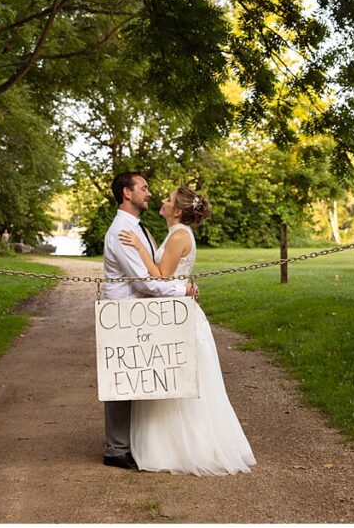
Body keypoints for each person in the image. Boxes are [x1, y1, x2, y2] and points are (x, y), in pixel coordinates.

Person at [117, 184, 256, 476]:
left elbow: (161, 275)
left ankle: (192, 448)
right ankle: (168, 444)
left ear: (177, 210)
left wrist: (140, 248)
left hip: (181, 317)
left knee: (187, 384)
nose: (163, 201)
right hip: (173, 312)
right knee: (170, 381)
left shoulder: (179, 235)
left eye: (168, 199)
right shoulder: (174, 233)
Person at [101, 172, 198, 471]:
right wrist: (183, 290)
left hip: (140, 314)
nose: (150, 193)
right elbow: (146, 283)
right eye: (143, 188)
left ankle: (136, 443)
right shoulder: (122, 231)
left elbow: (155, 271)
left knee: (140, 377)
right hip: (125, 312)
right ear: (127, 193)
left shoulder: (137, 228)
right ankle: (116, 449)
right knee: (122, 378)